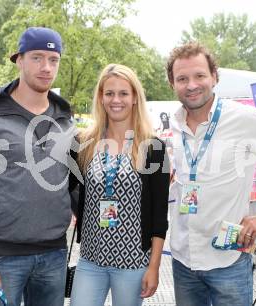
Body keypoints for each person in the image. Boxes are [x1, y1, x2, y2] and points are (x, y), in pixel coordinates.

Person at [166, 42, 256, 306]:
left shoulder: (245, 119)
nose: (191, 85)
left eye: (199, 76)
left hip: (227, 260)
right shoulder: (175, 123)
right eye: (182, 78)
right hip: (183, 260)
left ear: (214, 77)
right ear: (173, 83)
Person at [0, 27, 74, 306]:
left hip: (54, 255)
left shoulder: (66, 120)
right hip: (1, 259)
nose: (46, 67)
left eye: (53, 59)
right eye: (37, 58)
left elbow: (73, 182)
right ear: (19, 60)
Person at [70, 64, 169, 306]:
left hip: (133, 262)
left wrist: (154, 267)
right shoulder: (82, 143)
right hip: (91, 259)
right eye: (109, 93)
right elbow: (66, 189)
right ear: (101, 98)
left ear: (135, 97)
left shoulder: (153, 147)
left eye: (123, 93)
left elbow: (159, 215)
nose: (116, 100)